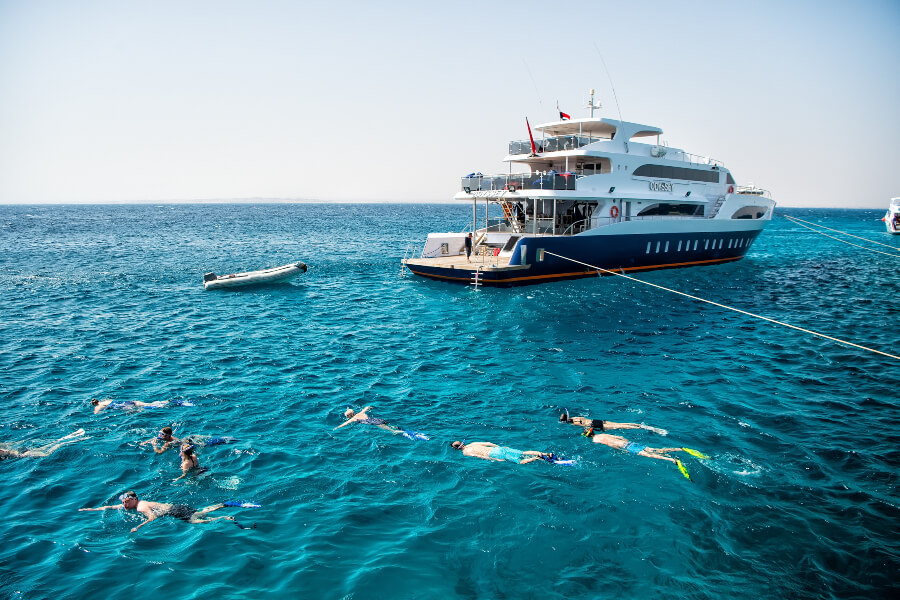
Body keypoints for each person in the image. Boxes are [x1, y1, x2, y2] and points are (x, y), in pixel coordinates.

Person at [78, 490, 236, 533]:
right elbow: (111, 507)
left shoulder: (141, 507)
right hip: (175, 507)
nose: (124, 504)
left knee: (196, 521)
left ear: (134, 499)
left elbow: (152, 517)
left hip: (175, 512)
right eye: (123, 502)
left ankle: (222, 517)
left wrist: (138, 526)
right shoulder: (133, 505)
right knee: (199, 513)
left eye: (127, 502)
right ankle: (222, 505)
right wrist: (91, 509)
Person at [585, 429, 702, 480]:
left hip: (626, 447)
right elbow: (620, 437)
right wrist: (628, 443)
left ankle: (673, 460)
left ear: (589, 436)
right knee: (655, 450)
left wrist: (621, 450)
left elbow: (610, 444)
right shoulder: (603, 434)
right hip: (629, 443)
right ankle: (680, 449)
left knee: (650, 455)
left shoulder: (596, 440)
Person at [559, 410, 667, 436]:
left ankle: (642, 428)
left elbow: (586, 426)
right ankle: (639, 425)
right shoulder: (576, 417)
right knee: (620, 424)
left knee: (620, 427)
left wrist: (586, 432)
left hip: (596, 425)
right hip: (597, 420)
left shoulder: (573, 423)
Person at [1, 429, 87, 459]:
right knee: (46, 447)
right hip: (21, 451)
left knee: (47, 453)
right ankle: (63, 441)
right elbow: (9, 444)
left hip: (22, 454)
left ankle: (62, 443)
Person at [450, 441, 553, 464]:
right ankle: (546, 453)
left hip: (494, 454)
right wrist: (499, 447)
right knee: (523, 452)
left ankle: (537, 458)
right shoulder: (472, 443)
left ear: (457, 449)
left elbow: (479, 456)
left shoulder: (465, 452)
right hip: (497, 449)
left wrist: (494, 459)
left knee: (519, 462)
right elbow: (488, 443)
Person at [91, 398, 168, 414]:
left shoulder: (98, 406)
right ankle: (164, 402)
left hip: (122, 406)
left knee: (136, 411)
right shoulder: (107, 400)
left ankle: (161, 406)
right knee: (148, 404)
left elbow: (96, 413)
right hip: (127, 402)